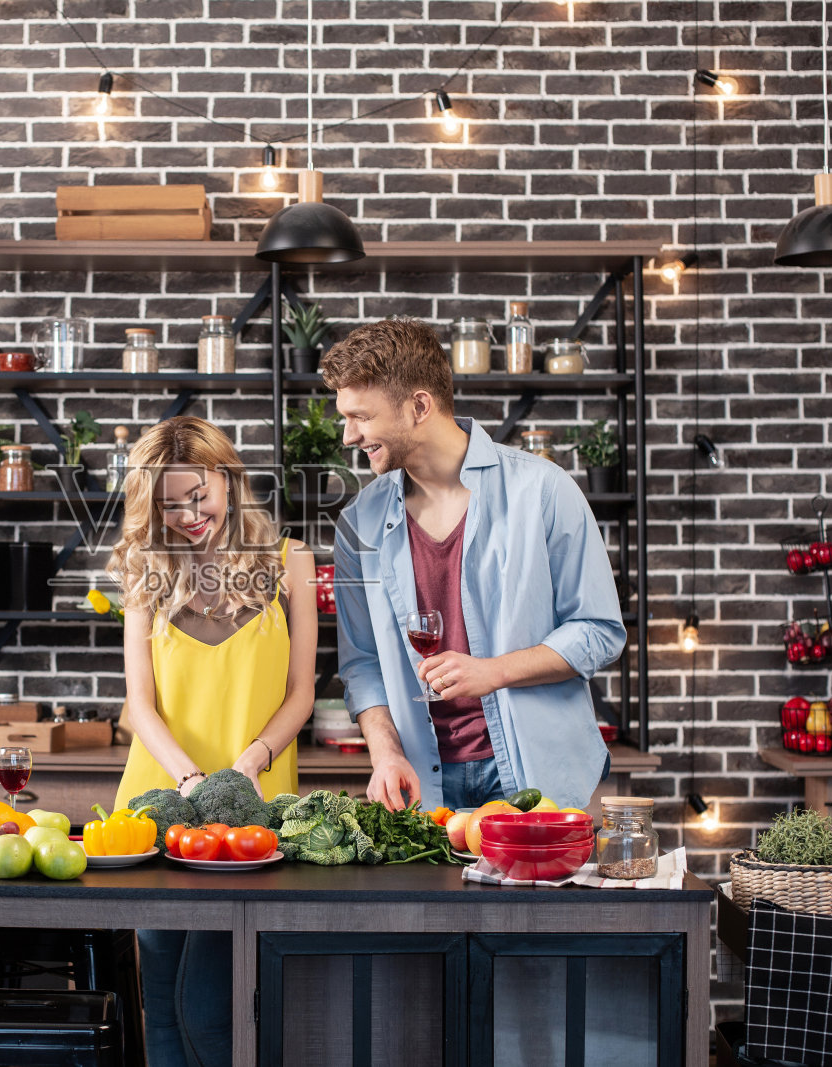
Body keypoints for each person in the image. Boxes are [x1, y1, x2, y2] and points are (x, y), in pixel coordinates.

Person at [322, 318, 625, 812]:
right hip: (423, 783)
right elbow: (362, 662)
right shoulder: (360, 522)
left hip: (539, 777)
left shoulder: (542, 491)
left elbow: (599, 631)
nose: (348, 436)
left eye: (360, 416)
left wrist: (493, 672)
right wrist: (385, 752)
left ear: (419, 406)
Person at [107, 415, 317, 1067]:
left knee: (216, 1004)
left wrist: (253, 758)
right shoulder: (146, 570)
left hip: (256, 805)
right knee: (163, 1002)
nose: (188, 513)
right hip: (157, 797)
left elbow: (302, 693)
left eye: (198, 495)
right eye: (169, 503)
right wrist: (191, 781)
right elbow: (139, 705)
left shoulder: (292, 561)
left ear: (228, 479)